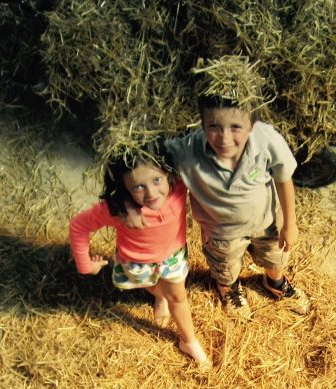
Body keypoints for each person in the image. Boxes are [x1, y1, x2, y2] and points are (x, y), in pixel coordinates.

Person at [165, 61, 311, 320]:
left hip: (267, 224)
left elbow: (284, 177)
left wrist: (290, 223)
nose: (224, 138)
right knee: (225, 266)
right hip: (221, 231)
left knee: (275, 257)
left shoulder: (266, 140)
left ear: (252, 124)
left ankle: (275, 283)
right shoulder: (187, 151)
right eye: (213, 127)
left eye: (235, 128)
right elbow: (150, 159)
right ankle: (229, 289)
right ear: (202, 123)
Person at [69, 145, 210, 368]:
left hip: (172, 257)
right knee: (153, 287)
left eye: (156, 180)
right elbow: (79, 226)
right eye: (138, 187)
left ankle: (189, 341)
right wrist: (85, 264)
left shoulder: (179, 187)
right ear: (125, 188)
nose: (151, 194)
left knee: (178, 297)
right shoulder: (117, 210)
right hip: (136, 263)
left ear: (168, 173)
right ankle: (159, 295)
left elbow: (196, 153)